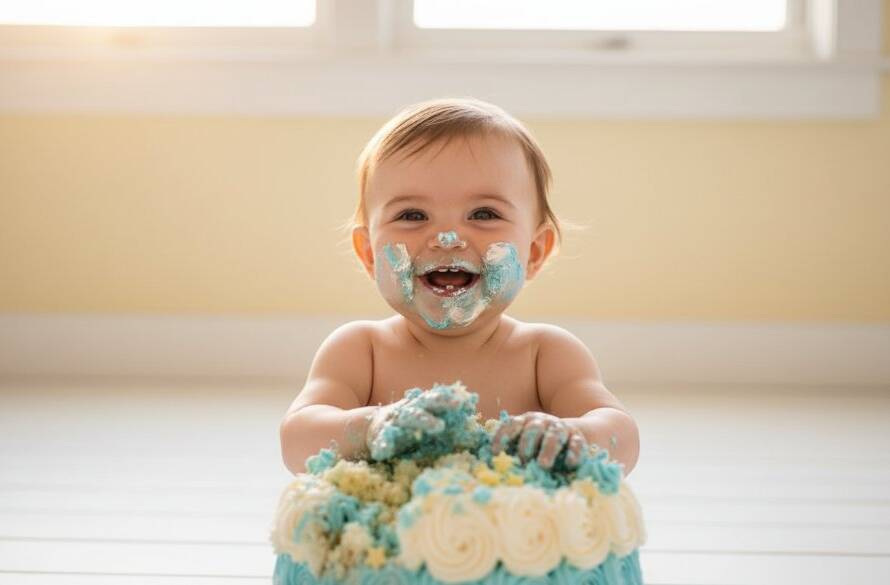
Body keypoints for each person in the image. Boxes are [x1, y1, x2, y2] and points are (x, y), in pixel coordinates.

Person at [280, 97, 639, 477]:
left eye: (483, 214)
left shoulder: (545, 354)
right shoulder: (361, 350)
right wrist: (368, 429)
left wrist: (572, 436)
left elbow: (621, 435)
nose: (447, 238)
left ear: (535, 252)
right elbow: (298, 438)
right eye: (412, 215)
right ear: (368, 253)